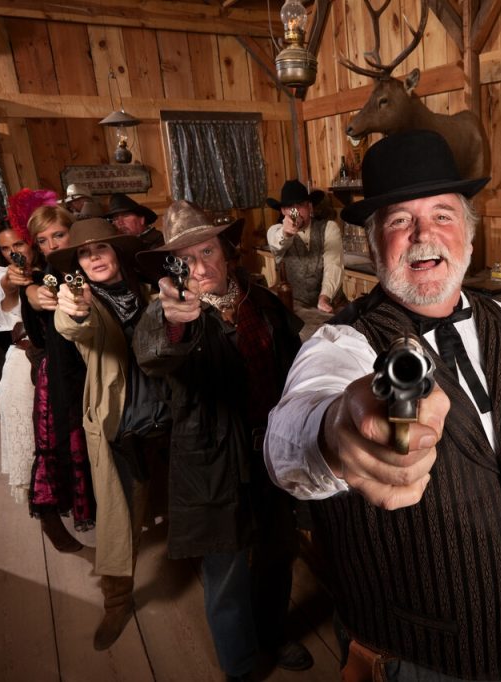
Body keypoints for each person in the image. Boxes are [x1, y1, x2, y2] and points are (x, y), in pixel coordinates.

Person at [264, 130, 501, 681]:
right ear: (376, 244)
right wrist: (336, 434)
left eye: (443, 215)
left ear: (469, 235)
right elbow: (288, 441)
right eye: (400, 220)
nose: (425, 234)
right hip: (423, 658)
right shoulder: (343, 345)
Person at [132, 200, 311, 681]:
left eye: (207, 250)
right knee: (225, 569)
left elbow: (297, 363)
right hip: (211, 461)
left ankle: (272, 632)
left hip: (272, 454)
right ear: (171, 268)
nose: (199, 266)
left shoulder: (260, 299)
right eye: (184, 259)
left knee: (278, 551)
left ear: (226, 250)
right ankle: (240, 664)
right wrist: (174, 321)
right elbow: (153, 354)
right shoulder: (168, 314)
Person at [51, 218, 169, 650]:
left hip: (172, 418)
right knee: (121, 520)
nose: (94, 257)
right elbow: (73, 325)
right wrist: (72, 310)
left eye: (101, 248)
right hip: (124, 426)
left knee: (193, 496)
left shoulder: (148, 291)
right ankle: (117, 600)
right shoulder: (85, 301)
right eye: (84, 253)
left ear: (117, 253)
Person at [20, 203, 95, 552]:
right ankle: (52, 517)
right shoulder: (42, 278)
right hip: (62, 377)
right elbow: (35, 297)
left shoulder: (91, 263)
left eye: (58, 235)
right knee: (61, 445)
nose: (52, 245)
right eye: (43, 239)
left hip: (95, 369)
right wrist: (34, 297)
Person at [0, 212, 41, 504]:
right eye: (5, 248)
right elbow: (6, 284)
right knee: (26, 443)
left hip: (58, 357)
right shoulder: (0, 273)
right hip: (23, 356)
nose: (13, 253)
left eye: (18, 244)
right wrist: (13, 279)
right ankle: (48, 521)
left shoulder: (50, 265)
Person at [265, 179, 343, 314]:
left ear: (310, 207)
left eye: (300, 205)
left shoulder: (329, 228)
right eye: (290, 207)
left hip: (331, 305)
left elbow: (333, 265)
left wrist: (324, 298)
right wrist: (286, 233)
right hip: (296, 308)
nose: (296, 212)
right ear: (283, 211)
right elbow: (276, 243)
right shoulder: (275, 231)